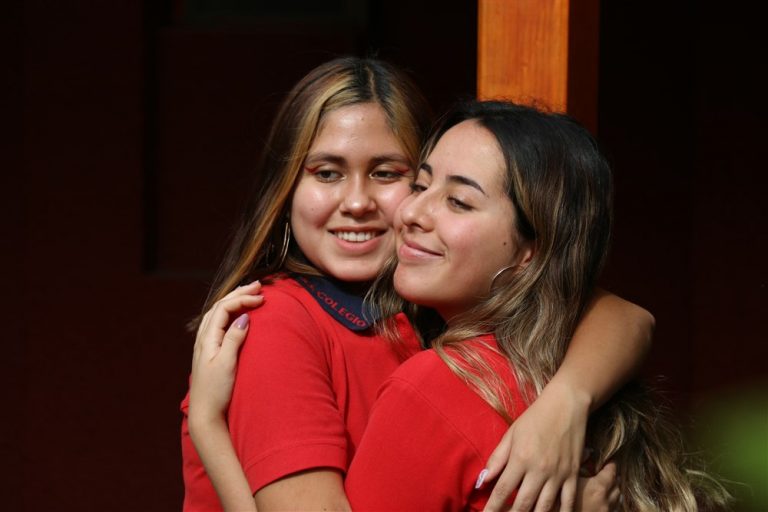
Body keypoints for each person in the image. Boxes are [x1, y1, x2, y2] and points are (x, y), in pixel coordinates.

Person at [183, 57, 654, 512]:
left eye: (388, 174)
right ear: (285, 190)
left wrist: (566, 403)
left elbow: (626, 317)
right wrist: (208, 427)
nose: (357, 203)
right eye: (327, 173)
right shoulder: (274, 321)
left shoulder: (428, 306)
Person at [339, 100, 731, 510]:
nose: (411, 212)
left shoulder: (431, 388)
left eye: (459, 201)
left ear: (532, 249)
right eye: (420, 186)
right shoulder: (572, 362)